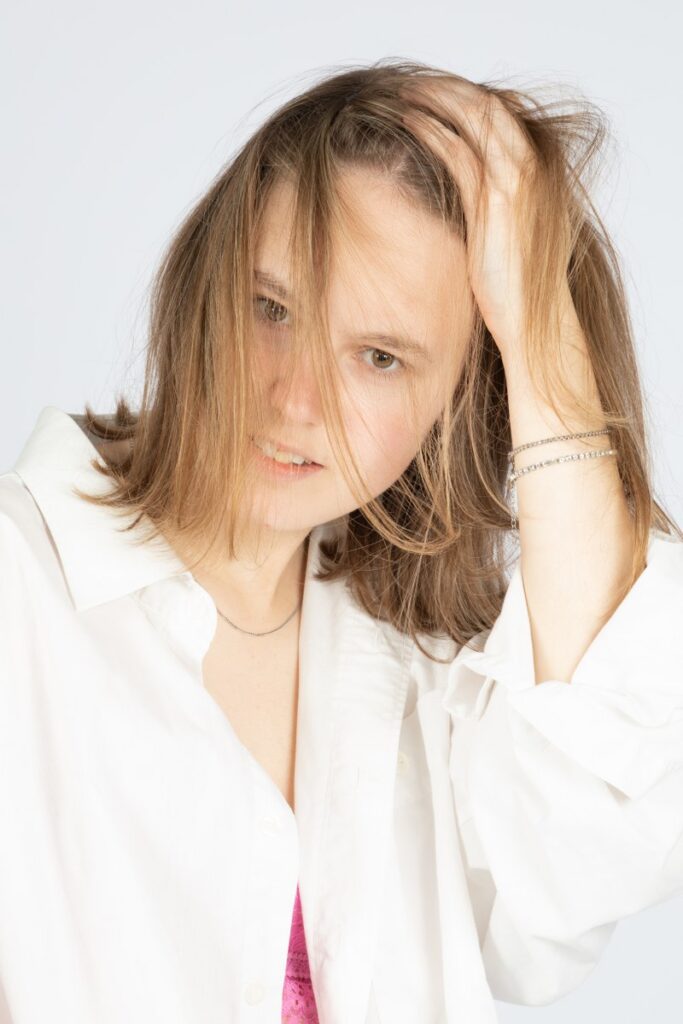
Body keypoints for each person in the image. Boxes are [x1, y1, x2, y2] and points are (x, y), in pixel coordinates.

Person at [2, 58, 682, 1024]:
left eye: (379, 357)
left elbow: (586, 846)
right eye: (271, 308)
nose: (296, 399)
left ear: (463, 398)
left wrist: (540, 340)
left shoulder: (428, 675)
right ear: (202, 284)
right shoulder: (20, 591)